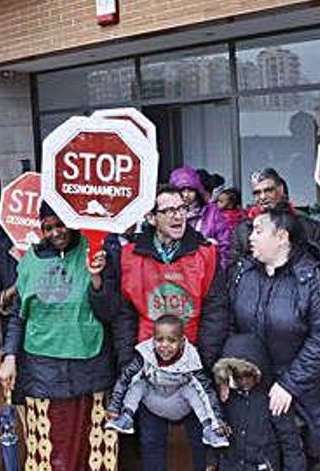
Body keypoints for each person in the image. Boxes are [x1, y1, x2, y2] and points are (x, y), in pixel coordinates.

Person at [115, 184, 229, 471]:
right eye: (169, 210)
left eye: (182, 209)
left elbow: (216, 312)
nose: (179, 216)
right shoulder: (130, 255)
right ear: (152, 217)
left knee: (201, 441)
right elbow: (124, 314)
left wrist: (204, 360)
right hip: (148, 363)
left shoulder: (205, 253)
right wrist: (130, 358)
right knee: (152, 442)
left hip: (191, 363)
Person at [0, 204, 118, 471]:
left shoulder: (94, 250)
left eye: (60, 224)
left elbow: (109, 312)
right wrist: (10, 355)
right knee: (50, 446)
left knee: (88, 445)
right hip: (42, 368)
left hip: (88, 366)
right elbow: (19, 314)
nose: (56, 232)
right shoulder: (31, 258)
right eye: (48, 227)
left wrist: (97, 278)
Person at [230, 204, 320, 471]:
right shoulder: (242, 274)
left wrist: (289, 384)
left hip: (309, 394)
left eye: (259, 231)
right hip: (258, 386)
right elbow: (231, 325)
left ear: (282, 237)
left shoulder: (313, 280)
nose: (250, 237)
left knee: (310, 459)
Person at [105, 314, 229, 448]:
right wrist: (114, 407)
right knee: (138, 382)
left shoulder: (191, 359)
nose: (164, 346)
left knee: (193, 389)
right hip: (153, 398)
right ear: (153, 340)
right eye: (159, 340)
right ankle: (125, 418)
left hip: (179, 402)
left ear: (182, 341)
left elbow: (207, 392)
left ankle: (210, 430)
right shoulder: (145, 355)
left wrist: (218, 422)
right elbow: (125, 379)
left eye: (171, 341)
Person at [210, 333, 307, 471]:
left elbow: (290, 442)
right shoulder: (226, 397)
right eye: (238, 376)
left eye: (248, 374)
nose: (244, 381)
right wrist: (212, 460)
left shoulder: (274, 398)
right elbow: (216, 430)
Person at [228, 168, 320, 268]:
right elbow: (234, 270)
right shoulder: (242, 230)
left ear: (281, 190)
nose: (262, 197)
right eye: (257, 193)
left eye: (268, 190)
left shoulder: (310, 228)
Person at [169, 166, 232, 268]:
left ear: (197, 191)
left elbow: (225, 243)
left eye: (190, 190)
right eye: (182, 190)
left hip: (209, 269)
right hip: (180, 271)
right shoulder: (169, 214)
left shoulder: (212, 211)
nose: (186, 195)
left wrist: (221, 268)